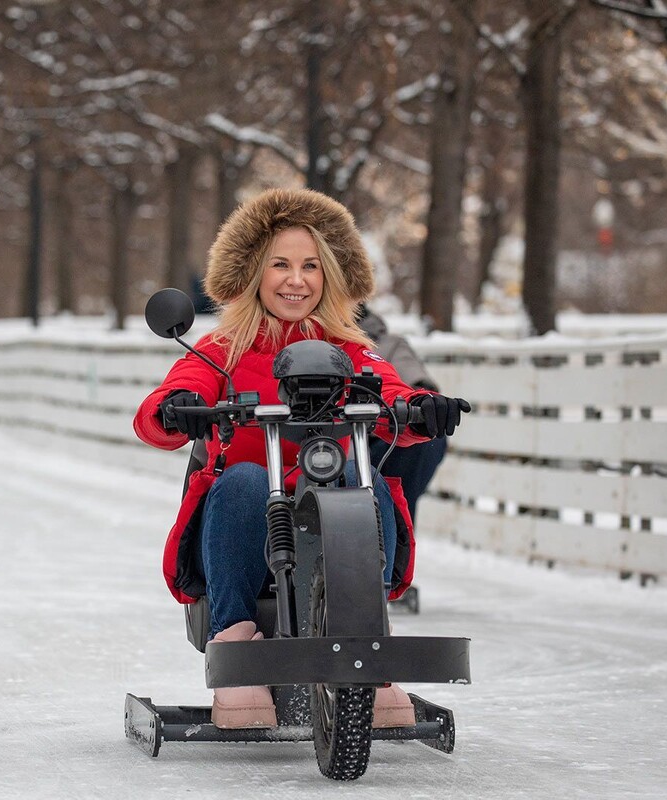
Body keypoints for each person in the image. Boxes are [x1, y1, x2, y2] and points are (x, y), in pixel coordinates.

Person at [132, 188, 468, 731]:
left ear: (330, 274)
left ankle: (371, 647)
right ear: (252, 272)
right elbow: (163, 405)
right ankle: (235, 642)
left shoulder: (352, 348)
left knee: (364, 481)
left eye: (311, 265)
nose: (297, 279)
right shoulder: (221, 349)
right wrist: (177, 408)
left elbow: (390, 392)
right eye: (280, 264)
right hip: (244, 516)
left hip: (330, 510)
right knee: (244, 479)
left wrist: (420, 409)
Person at [357, 303, 449, 523]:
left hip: (376, 445)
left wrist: (421, 401)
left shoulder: (388, 345)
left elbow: (411, 378)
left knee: (426, 437)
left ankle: (397, 529)